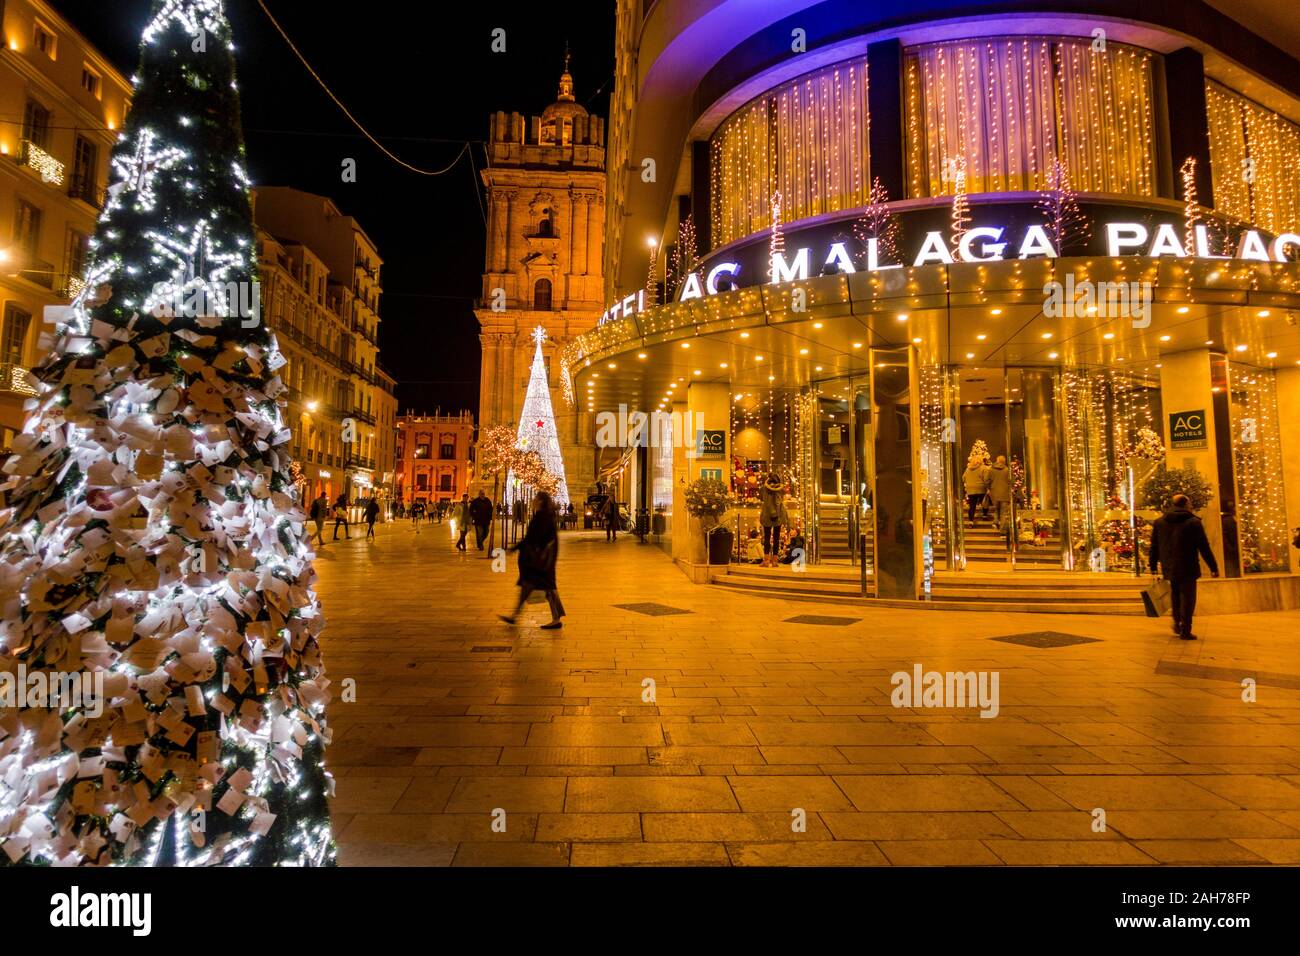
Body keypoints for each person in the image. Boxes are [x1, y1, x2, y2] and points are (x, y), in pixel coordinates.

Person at [1149, 493, 1220, 640]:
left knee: (1175, 595)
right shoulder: (1193, 522)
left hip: (1169, 566)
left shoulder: (1160, 522)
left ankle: (1177, 622)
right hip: (1188, 566)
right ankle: (1185, 629)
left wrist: (1153, 565)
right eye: (1190, 503)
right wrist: (1213, 567)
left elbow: (1154, 546)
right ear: (1186, 504)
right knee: (1188, 598)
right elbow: (1204, 547)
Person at [499, 491, 565, 630]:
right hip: (540, 560)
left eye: (535, 499)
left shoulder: (543, 517)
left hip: (539, 561)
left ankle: (555, 618)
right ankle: (515, 616)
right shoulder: (546, 516)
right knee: (531, 587)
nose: (533, 501)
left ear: (541, 501)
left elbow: (533, 538)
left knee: (546, 588)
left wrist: (515, 548)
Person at [759, 472, 784, 567]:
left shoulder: (764, 488)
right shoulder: (781, 489)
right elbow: (780, 501)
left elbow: (762, 498)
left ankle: (766, 561)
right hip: (778, 516)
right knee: (776, 538)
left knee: (767, 538)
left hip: (767, 515)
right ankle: (775, 561)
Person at [987, 455, 1012, 528]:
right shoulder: (1007, 470)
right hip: (1004, 494)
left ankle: (995, 522)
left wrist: (989, 488)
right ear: (1004, 461)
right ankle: (1002, 529)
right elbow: (1011, 481)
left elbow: (987, 480)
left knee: (996, 509)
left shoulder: (991, 470)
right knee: (1003, 512)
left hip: (994, 493)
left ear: (997, 461)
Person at [962, 458, 991, 522]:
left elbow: (963, 478)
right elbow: (986, 479)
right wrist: (988, 487)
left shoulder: (968, 469)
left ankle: (971, 521)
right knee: (984, 503)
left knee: (972, 505)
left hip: (970, 489)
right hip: (981, 488)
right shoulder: (983, 468)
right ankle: (984, 516)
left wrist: (969, 482)